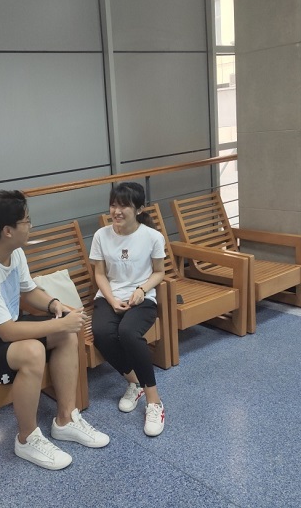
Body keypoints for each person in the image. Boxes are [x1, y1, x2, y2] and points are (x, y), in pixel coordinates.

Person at [0, 190, 109, 470]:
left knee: (67, 334)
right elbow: (7, 332)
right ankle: (26, 438)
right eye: (26, 221)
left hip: (3, 327)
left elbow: (29, 290)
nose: (30, 225)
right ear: (8, 230)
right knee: (34, 350)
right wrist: (59, 322)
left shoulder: (14, 253)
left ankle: (65, 420)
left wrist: (54, 305)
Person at [89, 182, 166, 436]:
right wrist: (111, 300)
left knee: (128, 333)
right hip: (109, 296)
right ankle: (134, 383)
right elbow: (100, 274)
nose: (116, 211)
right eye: (113, 205)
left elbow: (159, 272)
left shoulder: (152, 237)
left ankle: (154, 402)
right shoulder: (101, 235)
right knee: (102, 333)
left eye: (124, 206)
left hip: (142, 298)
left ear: (139, 209)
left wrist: (142, 289)